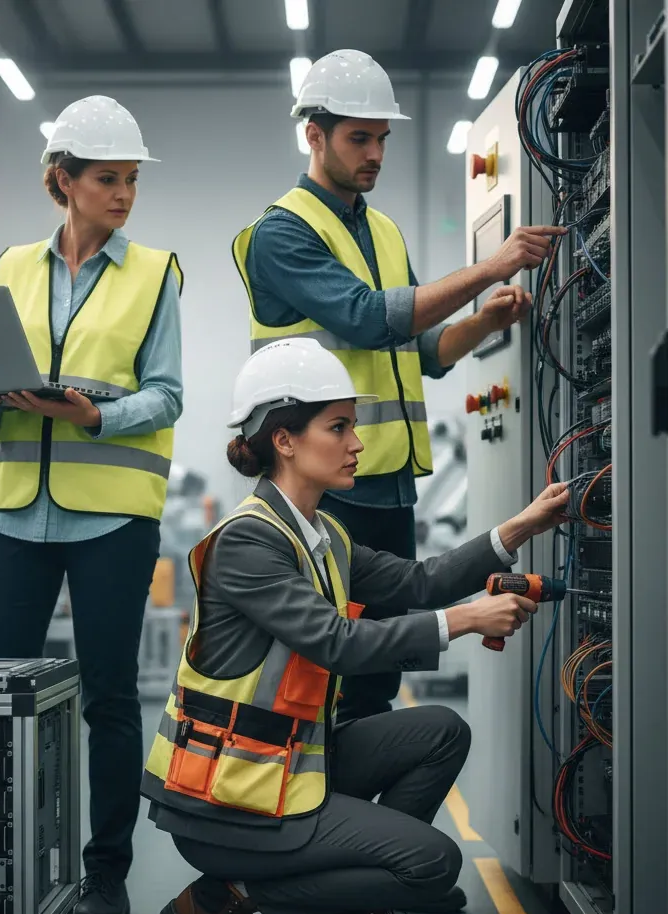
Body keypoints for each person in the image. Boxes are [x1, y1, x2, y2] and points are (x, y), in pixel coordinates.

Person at [141, 338, 568, 914]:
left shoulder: (324, 535)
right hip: (228, 797)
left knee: (440, 733)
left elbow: (422, 581)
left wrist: (518, 528)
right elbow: (336, 642)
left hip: (285, 763)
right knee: (432, 864)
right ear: (283, 440)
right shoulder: (250, 541)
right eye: (338, 427)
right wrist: (466, 620)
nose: (356, 443)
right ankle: (224, 898)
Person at [231, 49, 567, 745]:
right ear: (314, 135)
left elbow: (417, 351)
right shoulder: (282, 232)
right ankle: (316, 828)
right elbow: (365, 315)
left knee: (375, 682)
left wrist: (482, 321)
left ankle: (357, 836)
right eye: (360, 137)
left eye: (384, 137)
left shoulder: (380, 230)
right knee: (327, 675)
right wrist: (490, 265)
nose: (376, 152)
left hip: (386, 485)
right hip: (329, 490)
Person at [0, 95, 183, 914]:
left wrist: (93, 417)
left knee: (110, 697)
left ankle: (105, 875)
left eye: (131, 180)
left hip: (113, 519)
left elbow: (168, 395)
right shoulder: (11, 266)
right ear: (63, 182)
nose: (123, 194)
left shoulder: (156, 273)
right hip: (14, 513)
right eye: (107, 179)